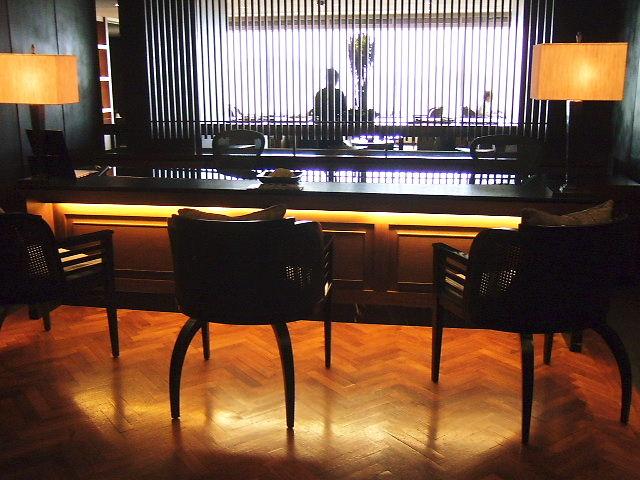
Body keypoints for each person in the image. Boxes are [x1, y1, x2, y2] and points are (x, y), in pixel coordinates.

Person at [313, 68, 348, 148]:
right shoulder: (339, 94)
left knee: (323, 150)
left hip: (323, 128)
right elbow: (344, 111)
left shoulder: (320, 93)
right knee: (337, 150)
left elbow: (316, 112)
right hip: (336, 127)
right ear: (336, 80)